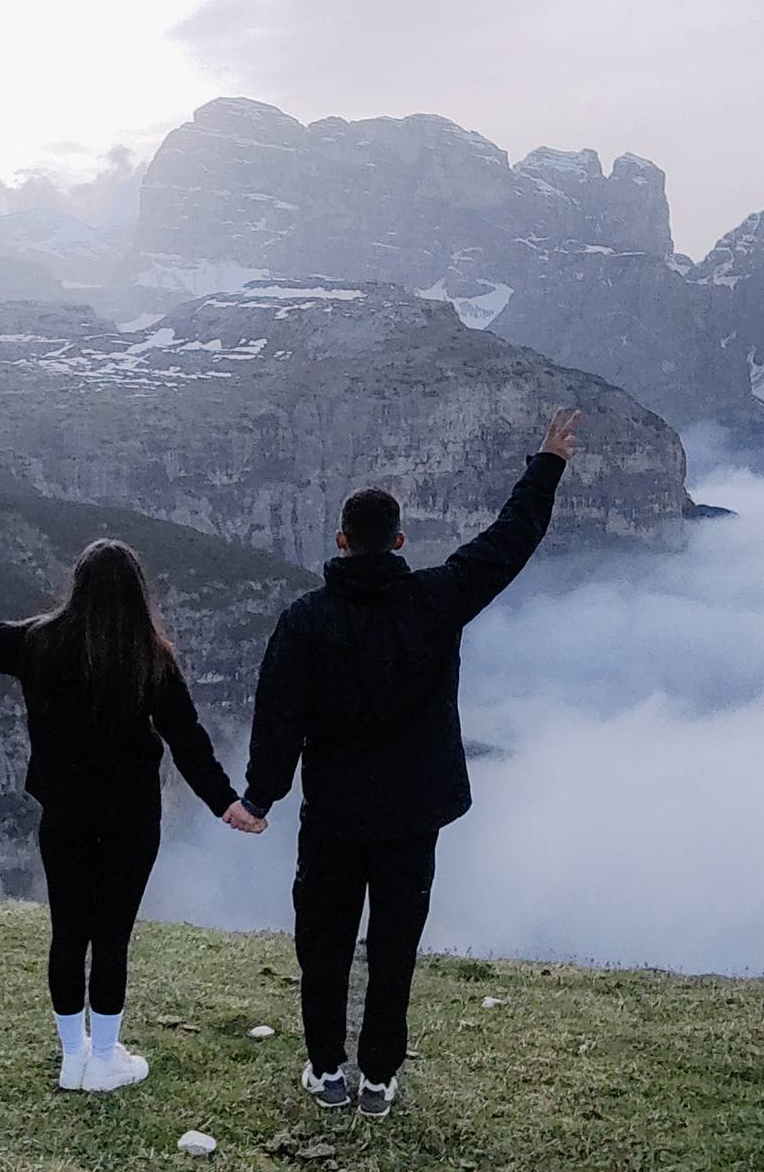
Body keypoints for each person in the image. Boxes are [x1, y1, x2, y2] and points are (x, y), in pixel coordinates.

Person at [238, 409, 582, 1119]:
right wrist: (546, 463)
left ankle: (327, 1071)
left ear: (340, 541)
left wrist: (261, 797)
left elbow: (279, 718)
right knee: (394, 948)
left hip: (333, 814)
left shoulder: (306, 620)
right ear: (398, 542)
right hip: (412, 816)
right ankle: (379, 1081)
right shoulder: (438, 599)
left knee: (324, 944)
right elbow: (509, 541)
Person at [0, 539, 260, 1093]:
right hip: (130, 818)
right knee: (112, 936)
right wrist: (228, 804)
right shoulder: (150, 658)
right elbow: (188, 740)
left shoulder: (36, 642)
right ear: (137, 595)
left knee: (69, 932)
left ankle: (74, 1056)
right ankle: (106, 1057)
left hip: (64, 814)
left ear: (78, 587)